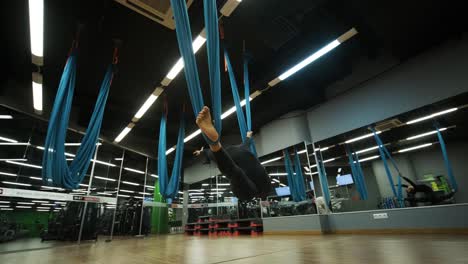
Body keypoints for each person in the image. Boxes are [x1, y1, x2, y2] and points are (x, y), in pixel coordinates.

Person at [193, 106, 272, 201]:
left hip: (242, 155)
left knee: (236, 172)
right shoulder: (252, 193)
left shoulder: (261, 187)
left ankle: (214, 144)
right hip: (234, 158)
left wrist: (248, 137)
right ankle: (214, 144)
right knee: (235, 172)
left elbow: (245, 147)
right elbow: (234, 172)